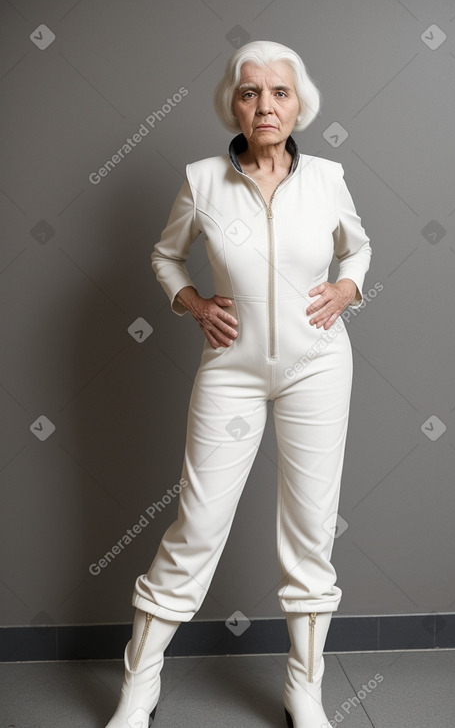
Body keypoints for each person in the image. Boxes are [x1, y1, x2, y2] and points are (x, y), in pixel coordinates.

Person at [105, 40, 372, 728]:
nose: (264, 105)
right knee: (196, 524)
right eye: (250, 92)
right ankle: (139, 685)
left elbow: (359, 245)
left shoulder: (328, 178)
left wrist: (348, 286)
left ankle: (303, 690)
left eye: (278, 92)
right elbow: (166, 255)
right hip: (232, 370)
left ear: (297, 102)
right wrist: (192, 304)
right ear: (235, 102)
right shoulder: (202, 180)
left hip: (318, 365)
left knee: (311, 530)